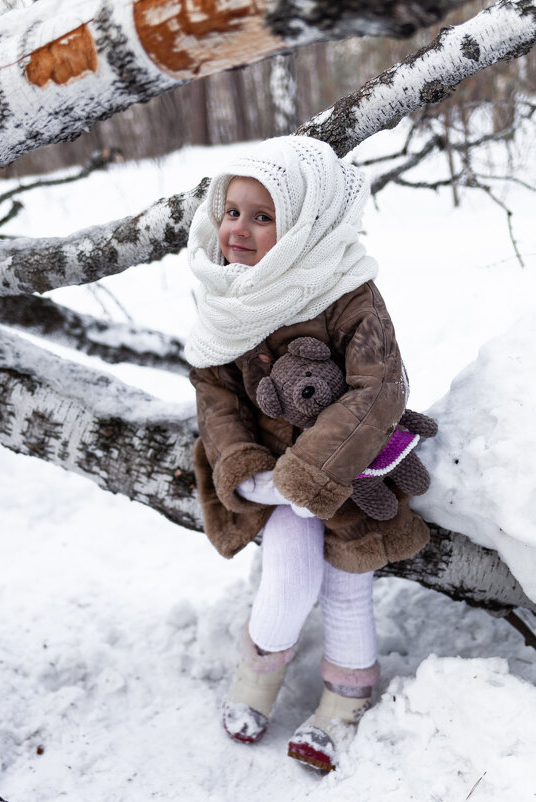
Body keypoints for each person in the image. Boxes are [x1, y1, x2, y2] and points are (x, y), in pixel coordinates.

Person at [185, 136, 430, 771]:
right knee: (289, 575)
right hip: (268, 474)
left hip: (347, 470)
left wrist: (311, 469)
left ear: (301, 224)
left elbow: (381, 386)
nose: (239, 230)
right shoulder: (225, 289)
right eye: (233, 211)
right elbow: (214, 387)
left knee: (349, 584)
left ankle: (345, 701)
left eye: (263, 217)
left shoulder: (346, 289)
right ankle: (257, 676)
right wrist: (243, 462)